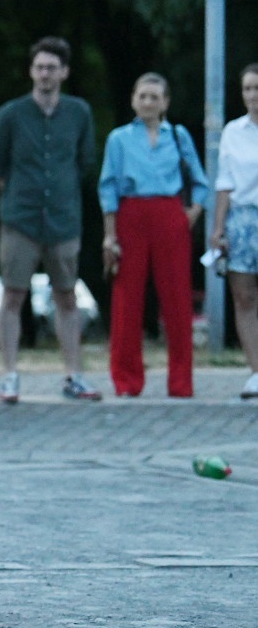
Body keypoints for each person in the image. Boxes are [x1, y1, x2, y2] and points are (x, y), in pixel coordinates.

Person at [0, 37, 101, 403]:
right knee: (13, 294)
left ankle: (73, 373)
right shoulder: (11, 114)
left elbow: (83, 161)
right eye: (39, 67)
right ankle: (9, 375)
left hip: (64, 219)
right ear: (31, 71)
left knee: (66, 296)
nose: (45, 74)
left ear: (64, 72)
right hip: (21, 218)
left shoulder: (79, 112)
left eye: (52, 67)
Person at [98, 73, 210, 398]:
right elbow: (108, 187)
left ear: (165, 102)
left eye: (155, 97)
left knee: (177, 298)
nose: (148, 102)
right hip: (131, 214)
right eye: (142, 96)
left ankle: (180, 382)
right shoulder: (119, 139)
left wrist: (193, 211)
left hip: (169, 214)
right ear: (133, 100)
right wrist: (110, 235)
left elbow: (200, 180)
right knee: (127, 299)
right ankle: (127, 379)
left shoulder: (177, 135)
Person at [212, 63, 258, 399]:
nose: (253, 96)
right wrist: (218, 229)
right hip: (241, 219)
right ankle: (256, 371)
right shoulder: (233, 131)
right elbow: (224, 182)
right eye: (248, 89)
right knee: (244, 297)